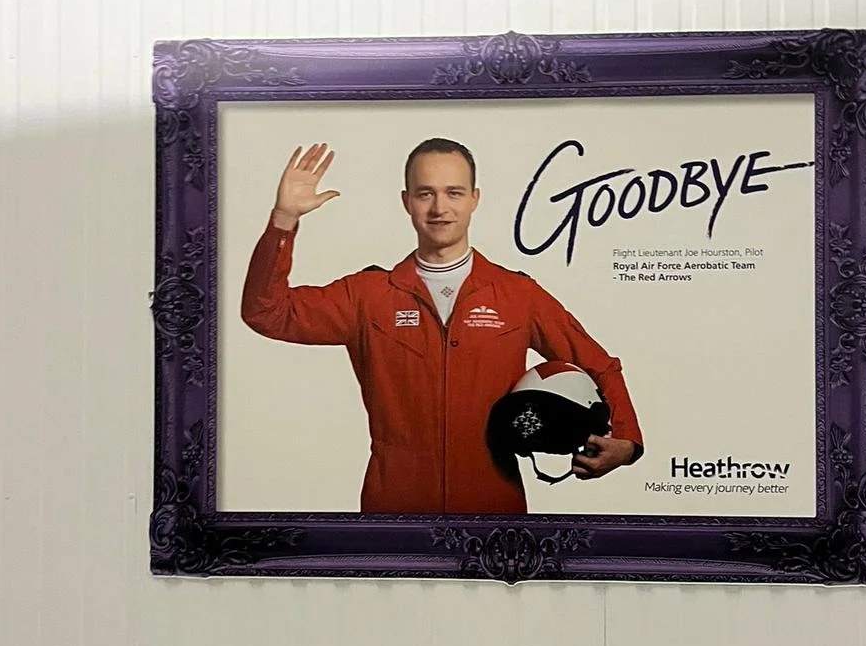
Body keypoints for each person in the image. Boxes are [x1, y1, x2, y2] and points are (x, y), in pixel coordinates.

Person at [241, 138, 643, 515]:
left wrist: (627, 441)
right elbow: (268, 313)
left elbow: (598, 364)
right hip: (394, 507)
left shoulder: (517, 295)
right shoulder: (367, 295)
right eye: (425, 193)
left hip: (494, 507)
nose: (439, 208)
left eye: (454, 193)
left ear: (474, 200)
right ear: (406, 202)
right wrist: (284, 219)